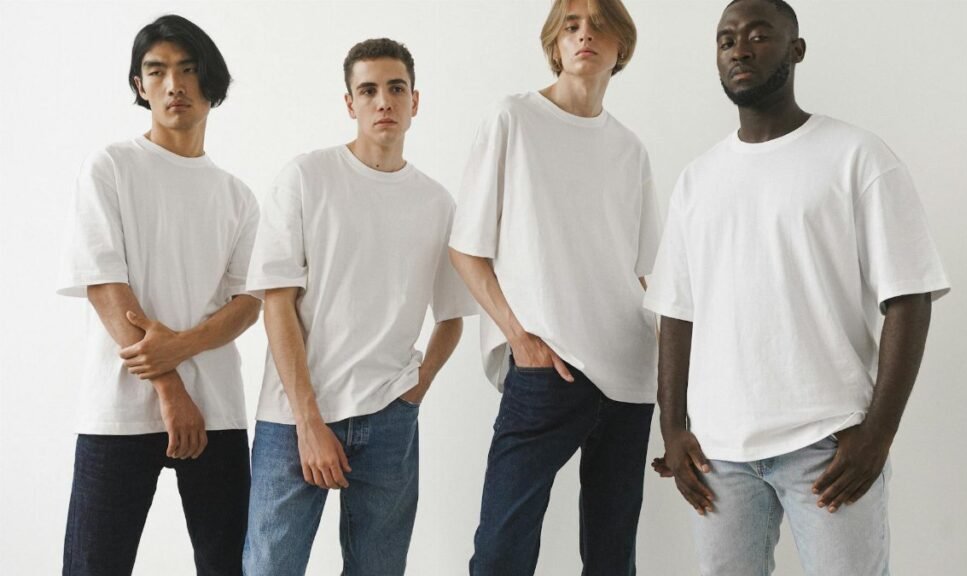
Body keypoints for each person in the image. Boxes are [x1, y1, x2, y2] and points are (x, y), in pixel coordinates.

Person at [645, 0, 951, 573]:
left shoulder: (857, 157)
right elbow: (676, 312)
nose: (740, 48)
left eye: (760, 35)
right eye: (726, 39)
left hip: (829, 445)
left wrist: (879, 433)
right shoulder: (698, 180)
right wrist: (674, 429)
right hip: (720, 455)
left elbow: (908, 296)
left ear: (796, 49)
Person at [242, 38, 476, 576]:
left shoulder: (437, 203)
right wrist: (308, 421)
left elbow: (452, 316)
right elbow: (276, 303)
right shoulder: (306, 177)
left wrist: (413, 392)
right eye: (368, 90)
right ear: (350, 103)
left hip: (388, 419)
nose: (383, 101)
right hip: (293, 418)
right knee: (269, 568)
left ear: (415, 101)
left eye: (396, 89)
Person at [448, 0, 661, 573]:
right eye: (571, 26)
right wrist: (519, 338)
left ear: (622, 46)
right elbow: (466, 248)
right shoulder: (512, 119)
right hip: (547, 367)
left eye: (598, 25)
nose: (584, 35)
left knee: (613, 553)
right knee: (501, 551)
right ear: (554, 45)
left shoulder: (630, 149)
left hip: (630, 373)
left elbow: (642, 274)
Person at [57, 14, 261, 576]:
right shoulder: (112, 167)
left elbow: (248, 302)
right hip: (120, 409)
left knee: (228, 565)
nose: (175, 84)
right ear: (139, 86)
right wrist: (168, 382)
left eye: (189, 70)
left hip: (217, 411)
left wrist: (181, 348)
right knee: (94, 564)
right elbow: (103, 284)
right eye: (158, 71)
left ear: (211, 83)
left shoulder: (237, 197)